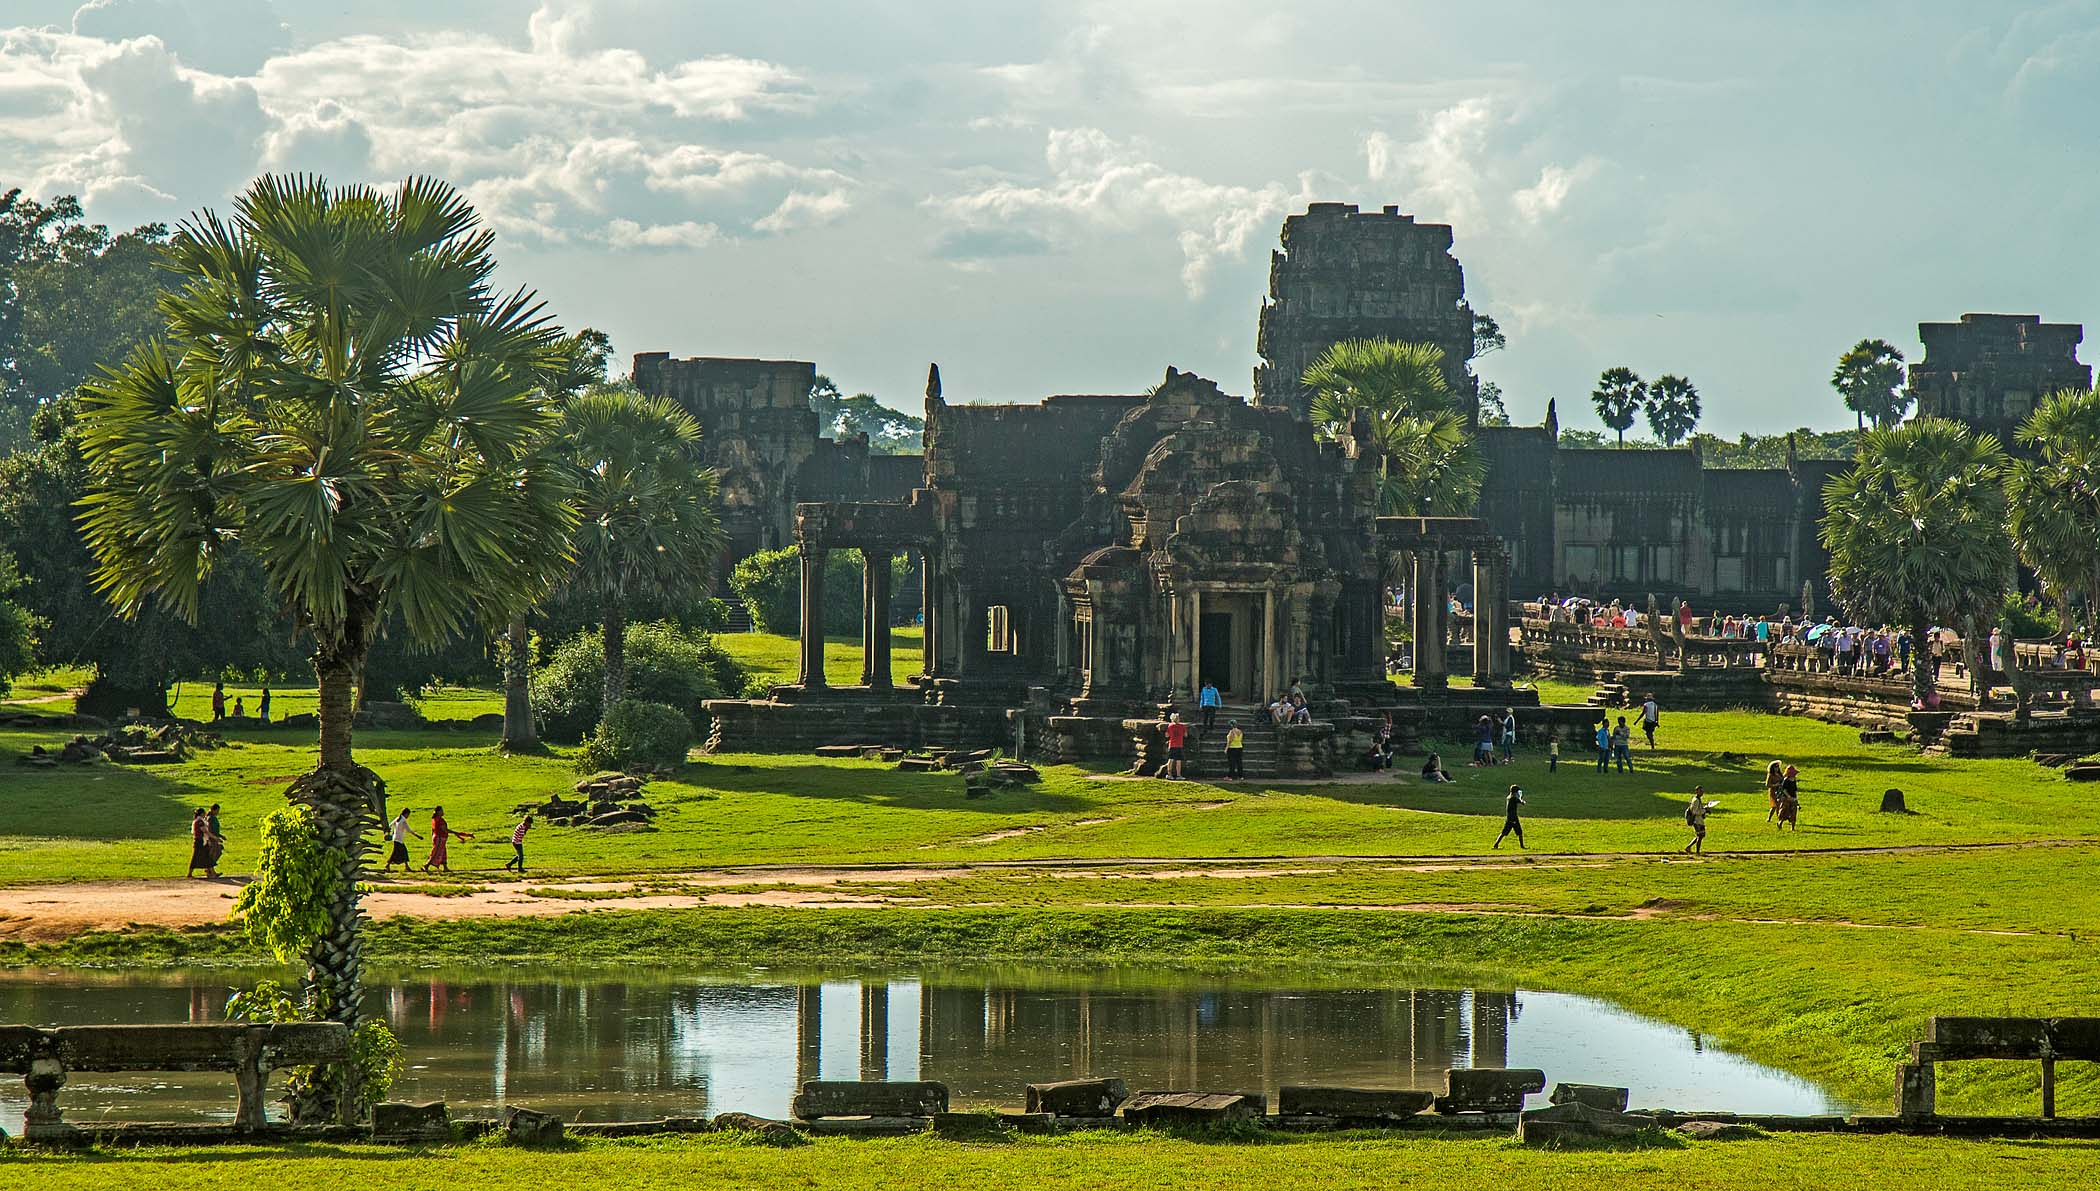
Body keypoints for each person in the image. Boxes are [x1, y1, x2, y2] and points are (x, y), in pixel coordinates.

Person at [425, 805, 472, 872]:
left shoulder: (435, 819)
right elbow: (445, 830)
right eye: (441, 810)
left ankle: (445, 867)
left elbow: (433, 830)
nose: (443, 812)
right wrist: (456, 833)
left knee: (443, 853)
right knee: (436, 853)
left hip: (438, 838)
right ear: (438, 812)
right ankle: (426, 865)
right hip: (440, 838)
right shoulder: (439, 820)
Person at [383, 808, 418, 873]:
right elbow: (409, 830)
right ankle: (387, 865)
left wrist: (387, 832)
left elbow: (390, 825)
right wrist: (417, 835)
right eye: (408, 815)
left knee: (403, 852)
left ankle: (406, 866)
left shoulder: (398, 819)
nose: (408, 816)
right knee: (396, 853)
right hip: (399, 839)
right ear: (406, 814)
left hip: (396, 838)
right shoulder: (403, 821)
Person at [1493, 784, 1527, 850]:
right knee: (1519, 832)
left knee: (1504, 832)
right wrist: (1522, 800)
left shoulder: (1509, 797)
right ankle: (1522, 846)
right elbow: (1522, 803)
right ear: (1515, 792)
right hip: (1513, 818)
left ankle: (1496, 844)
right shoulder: (1513, 798)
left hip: (1509, 818)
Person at [187, 809, 217, 878]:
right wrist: (214, 837)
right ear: (201, 814)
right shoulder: (200, 821)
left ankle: (212, 872)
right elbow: (205, 831)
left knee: (207, 857)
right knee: (196, 857)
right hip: (200, 841)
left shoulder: (197, 821)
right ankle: (190, 873)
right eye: (204, 813)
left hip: (201, 841)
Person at [1683, 786, 1711, 855]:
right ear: (1697, 791)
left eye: (1702, 791)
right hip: (1697, 821)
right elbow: (1695, 812)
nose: (1702, 793)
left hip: (1699, 820)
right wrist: (1705, 810)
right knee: (1700, 836)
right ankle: (1696, 851)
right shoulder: (1696, 800)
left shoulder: (1697, 799)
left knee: (1700, 835)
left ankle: (1689, 847)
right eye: (1700, 791)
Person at [1162, 712, 1188, 780]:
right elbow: (1185, 735)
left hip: (1172, 744)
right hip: (1179, 745)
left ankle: (1169, 774)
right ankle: (1178, 775)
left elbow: (1167, 735)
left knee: (1170, 760)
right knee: (1178, 761)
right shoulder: (1182, 726)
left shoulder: (1170, 726)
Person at [1778, 765, 1801, 831]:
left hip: (1793, 798)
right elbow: (1784, 790)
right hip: (1786, 799)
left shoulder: (1794, 780)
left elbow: (1795, 790)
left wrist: (1796, 798)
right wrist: (1789, 797)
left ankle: (1793, 828)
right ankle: (1780, 823)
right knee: (1785, 812)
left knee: (1793, 813)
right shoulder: (1786, 780)